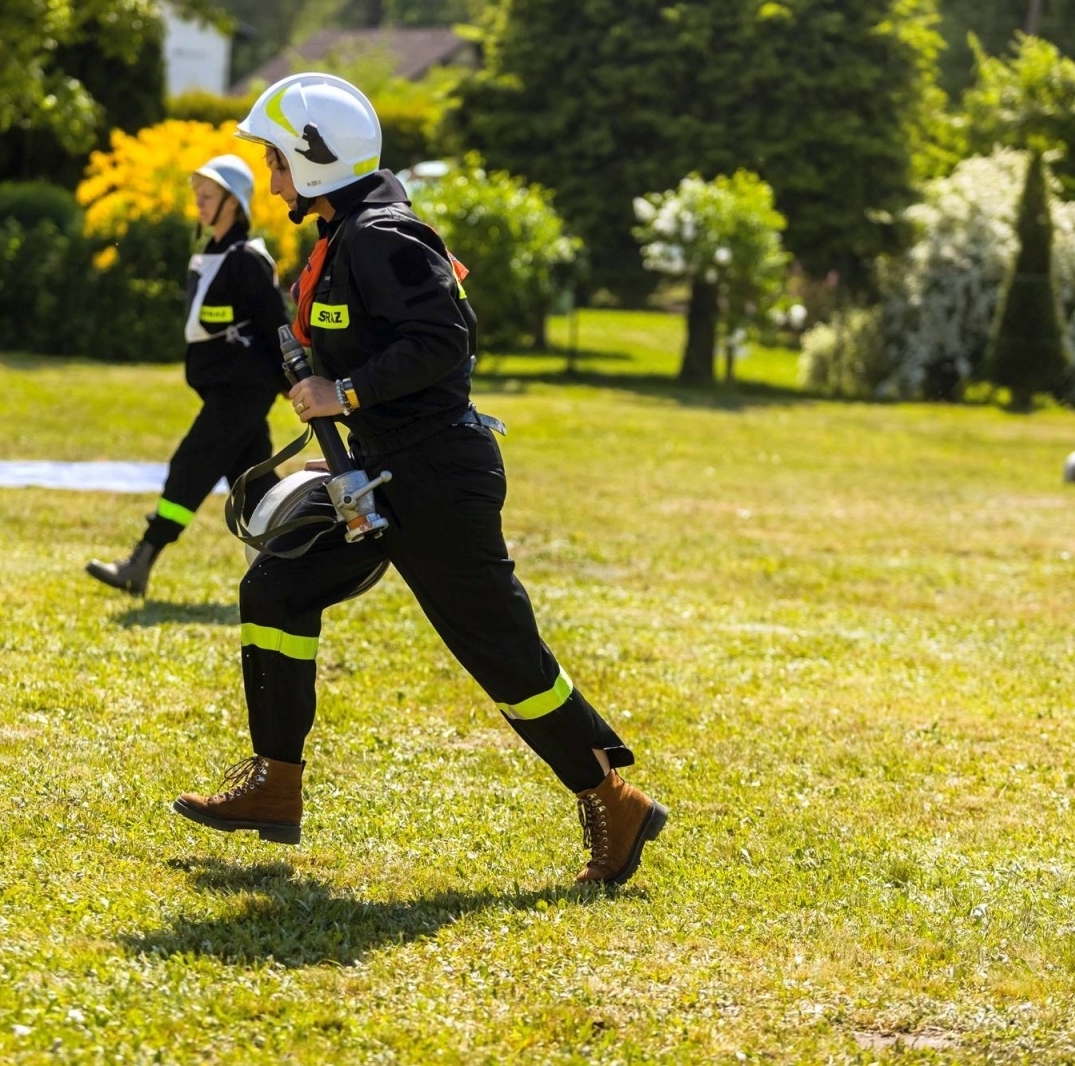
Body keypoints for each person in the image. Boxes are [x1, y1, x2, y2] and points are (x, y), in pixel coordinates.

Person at [171, 73, 667, 885]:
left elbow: (444, 342)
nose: (269, 175)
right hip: (374, 473)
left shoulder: (383, 235)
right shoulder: (339, 232)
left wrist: (346, 392)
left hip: (438, 478)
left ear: (318, 159)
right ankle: (275, 784)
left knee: (500, 652)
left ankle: (613, 799)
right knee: (276, 588)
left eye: (277, 159)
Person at [86, 155, 289, 596]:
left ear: (234, 203)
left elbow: (277, 325)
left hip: (243, 390)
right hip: (223, 390)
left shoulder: (246, 259)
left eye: (209, 195)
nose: (199, 202)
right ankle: (296, 561)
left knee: (191, 466)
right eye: (197, 194)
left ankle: (141, 562)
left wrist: (296, 381)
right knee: (253, 481)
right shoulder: (208, 256)